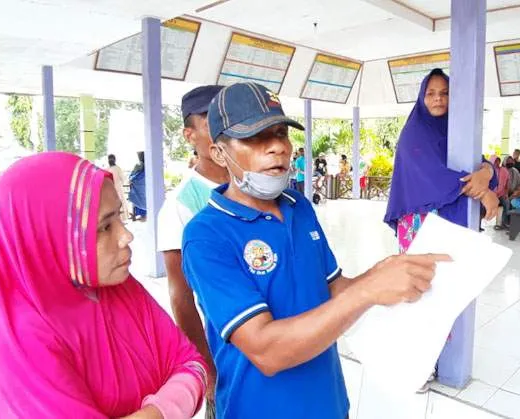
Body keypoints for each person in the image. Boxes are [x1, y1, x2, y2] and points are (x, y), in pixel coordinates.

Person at [181, 82, 448, 419]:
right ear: (219, 152)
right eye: (256, 137)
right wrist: (368, 290)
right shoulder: (206, 236)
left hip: (329, 404)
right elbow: (266, 350)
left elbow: (336, 290)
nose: (277, 147)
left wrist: (385, 274)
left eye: (280, 133)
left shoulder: (298, 206)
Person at [0, 152, 206, 418]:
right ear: (44, 240)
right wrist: (169, 405)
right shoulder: (17, 343)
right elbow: (188, 375)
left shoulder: (119, 289)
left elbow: (191, 363)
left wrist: (158, 411)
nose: (126, 236)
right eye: (105, 227)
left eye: (119, 216)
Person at [157, 85, 228, 418]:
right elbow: (181, 298)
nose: (224, 127)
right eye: (211, 120)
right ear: (189, 134)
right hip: (226, 353)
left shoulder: (261, 188)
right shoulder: (182, 204)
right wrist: (208, 369)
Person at [384, 68, 498, 254]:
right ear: (422, 97)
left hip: (450, 221)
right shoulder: (413, 134)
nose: (438, 98)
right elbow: (433, 176)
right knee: (423, 280)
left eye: (445, 93)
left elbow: (477, 162)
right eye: (431, 93)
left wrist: (486, 173)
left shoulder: (455, 130)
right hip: (421, 222)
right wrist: (483, 192)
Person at [106, 154, 128, 221]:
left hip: (111, 190)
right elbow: (123, 179)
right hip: (118, 189)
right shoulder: (118, 168)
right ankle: (121, 219)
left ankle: (115, 220)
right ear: (115, 160)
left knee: (113, 205)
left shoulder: (107, 169)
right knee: (120, 203)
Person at [129, 151, 147, 221]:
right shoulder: (149, 165)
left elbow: (132, 176)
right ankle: (144, 215)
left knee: (139, 199)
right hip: (143, 187)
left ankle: (142, 215)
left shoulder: (138, 166)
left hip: (140, 187)